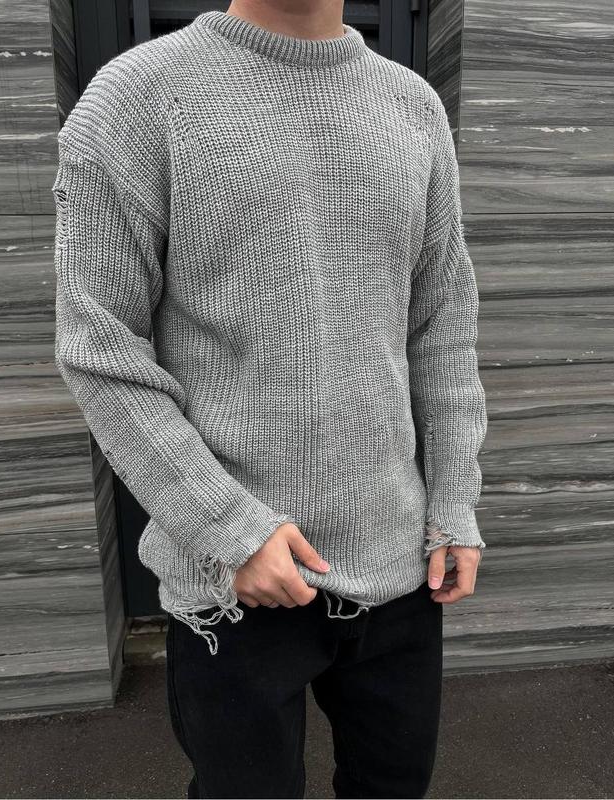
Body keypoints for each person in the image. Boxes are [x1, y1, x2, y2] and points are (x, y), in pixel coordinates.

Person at [52, 1, 488, 797]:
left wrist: (453, 503)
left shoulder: (411, 105)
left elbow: (440, 325)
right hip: (234, 581)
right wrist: (229, 530)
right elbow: (100, 349)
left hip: (399, 569)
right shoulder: (140, 96)